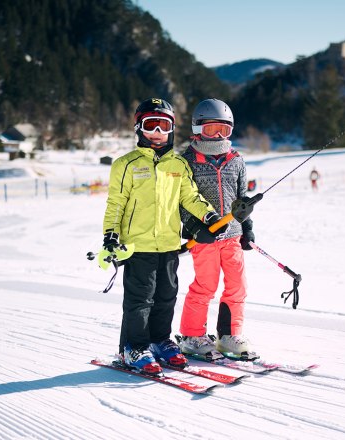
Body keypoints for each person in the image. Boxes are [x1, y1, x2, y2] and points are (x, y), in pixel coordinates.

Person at [101, 98, 222, 375]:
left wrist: (209, 217)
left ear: (172, 129)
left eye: (163, 126)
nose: (157, 132)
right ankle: (134, 347)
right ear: (139, 128)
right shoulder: (125, 164)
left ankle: (159, 341)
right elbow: (116, 203)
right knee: (140, 300)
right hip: (138, 245)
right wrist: (110, 235)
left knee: (166, 296)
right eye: (151, 125)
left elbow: (190, 197)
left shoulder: (178, 164)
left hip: (168, 244)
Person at [177, 98, 256, 359]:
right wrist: (193, 228)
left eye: (224, 129)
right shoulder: (187, 160)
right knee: (205, 285)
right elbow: (181, 200)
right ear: (198, 129)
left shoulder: (236, 160)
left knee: (237, 286)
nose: (218, 136)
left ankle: (228, 335)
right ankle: (192, 336)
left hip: (232, 236)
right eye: (211, 130)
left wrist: (247, 228)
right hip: (205, 237)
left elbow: (242, 199)